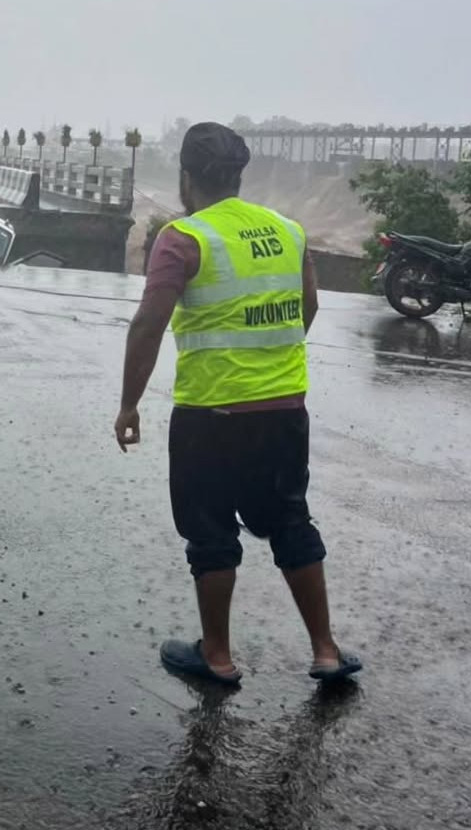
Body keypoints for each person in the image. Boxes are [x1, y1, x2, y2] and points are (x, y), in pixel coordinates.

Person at [114, 122, 361, 686]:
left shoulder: (183, 238)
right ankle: (325, 650)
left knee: (210, 533)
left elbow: (149, 323)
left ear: (185, 176)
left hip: (211, 415)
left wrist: (129, 404)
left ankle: (218, 657)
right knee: (291, 520)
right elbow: (309, 306)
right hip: (283, 411)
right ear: (238, 175)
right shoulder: (287, 230)